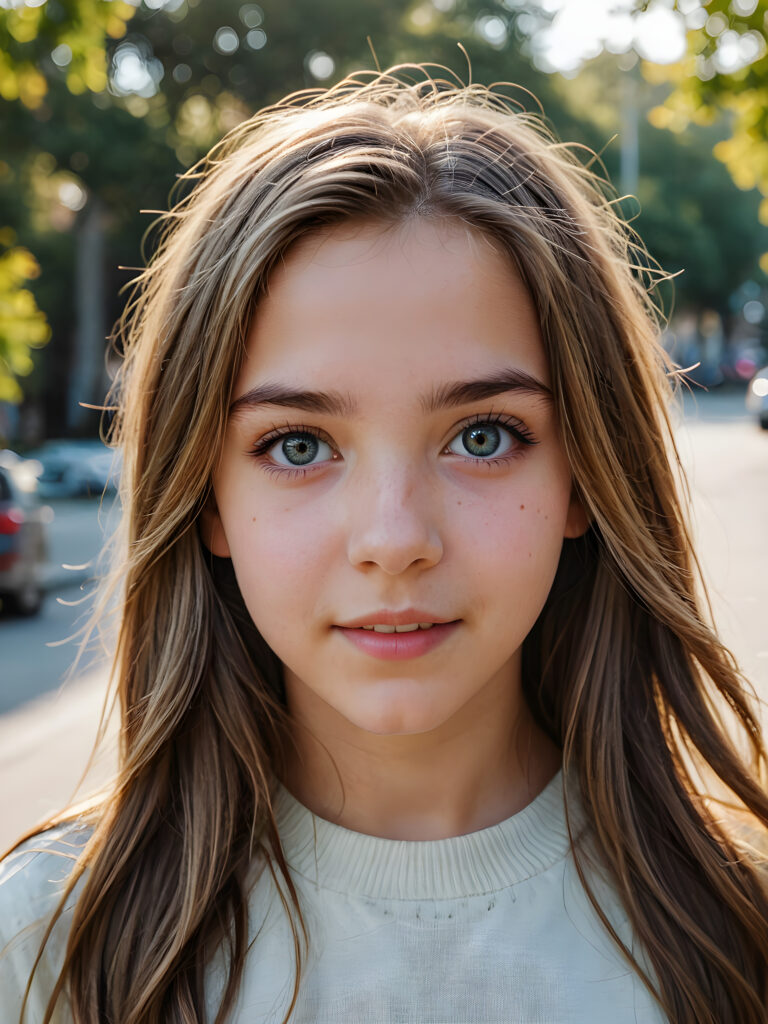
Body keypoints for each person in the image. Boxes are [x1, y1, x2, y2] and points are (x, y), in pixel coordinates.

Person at [1, 62, 767, 1024]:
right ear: (206, 499)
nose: (394, 540)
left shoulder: (740, 937)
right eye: (298, 445)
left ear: (584, 475)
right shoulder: (47, 945)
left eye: (483, 436)